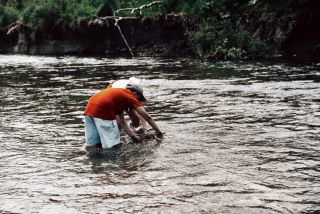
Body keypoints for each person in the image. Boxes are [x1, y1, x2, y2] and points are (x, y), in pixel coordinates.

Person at [84, 84, 163, 149]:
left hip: (89, 111)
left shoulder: (119, 95)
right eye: (139, 98)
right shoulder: (129, 96)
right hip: (103, 111)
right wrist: (158, 131)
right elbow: (147, 116)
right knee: (113, 145)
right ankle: (111, 165)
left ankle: (94, 164)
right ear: (135, 93)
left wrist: (133, 136)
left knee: (93, 144)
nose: (138, 101)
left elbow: (122, 121)